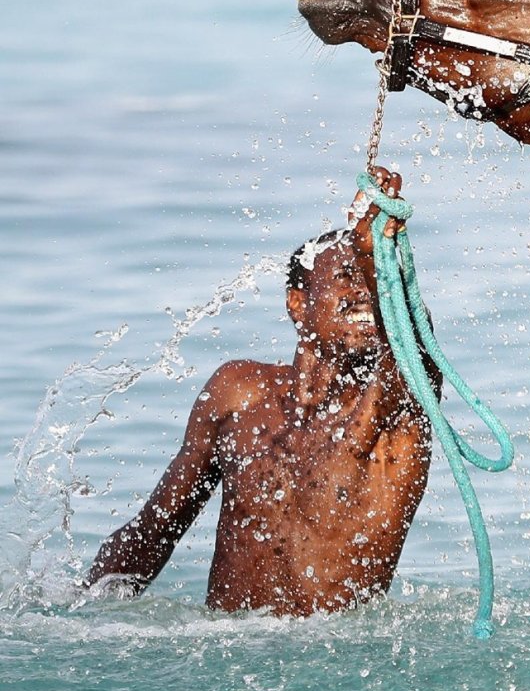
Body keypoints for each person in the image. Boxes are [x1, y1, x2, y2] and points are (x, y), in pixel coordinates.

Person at [85, 169, 436, 615]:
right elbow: (155, 529)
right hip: (222, 655)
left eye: (372, 280)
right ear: (297, 303)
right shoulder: (240, 394)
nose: (366, 291)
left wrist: (375, 256)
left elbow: (417, 347)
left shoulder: (390, 412)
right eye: (349, 275)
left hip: (336, 665)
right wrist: (80, 611)